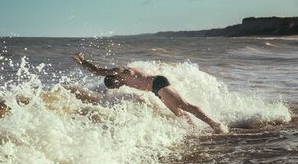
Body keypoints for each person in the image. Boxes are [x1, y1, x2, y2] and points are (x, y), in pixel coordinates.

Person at [72, 53, 225, 134]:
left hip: (159, 83)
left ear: (114, 79)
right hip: (155, 90)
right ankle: (196, 131)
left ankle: (214, 124)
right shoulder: (123, 81)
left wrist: (83, 63)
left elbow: (99, 71)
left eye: (115, 86)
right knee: (178, 113)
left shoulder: (122, 72)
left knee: (184, 105)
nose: (118, 87)